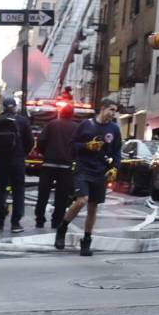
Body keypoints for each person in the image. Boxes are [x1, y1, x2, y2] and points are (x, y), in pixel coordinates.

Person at [55, 98, 122, 256]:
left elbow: (117, 151)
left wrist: (115, 168)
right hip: (83, 169)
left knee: (93, 207)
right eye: (111, 109)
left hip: (101, 172)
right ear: (103, 108)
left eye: (115, 111)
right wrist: (86, 146)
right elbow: (72, 145)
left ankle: (86, 241)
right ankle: (62, 228)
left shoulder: (114, 129)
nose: (113, 113)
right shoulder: (86, 125)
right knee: (82, 200)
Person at [0, 97, 34, 233]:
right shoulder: (22, 121)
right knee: (18, 190)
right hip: (17, 161)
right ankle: (15, 223)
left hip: (0, 161)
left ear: (2, 107)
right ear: (15, 107)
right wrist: (22, 153)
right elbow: (30, 142)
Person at [35, 103, 78, 228]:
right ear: (72, 114)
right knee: (62, 196)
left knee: (43, 194)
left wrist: (46, 153)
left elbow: (41, 141)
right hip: (66, 166)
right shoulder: (76, 127)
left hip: (49, 164)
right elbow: (78, 146)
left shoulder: (52, 124)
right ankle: (56, 221)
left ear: (61, 112)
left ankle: (40, 219)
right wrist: (72, 157)